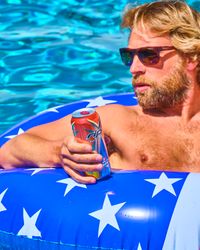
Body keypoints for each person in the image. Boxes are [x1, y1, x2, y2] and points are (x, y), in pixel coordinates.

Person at [0, 0, 200, 184]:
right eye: (129, 56)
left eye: (149, 55)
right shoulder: (116, 121)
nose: (134, 68)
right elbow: (10, 151)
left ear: (190, 56)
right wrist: (59, 153)